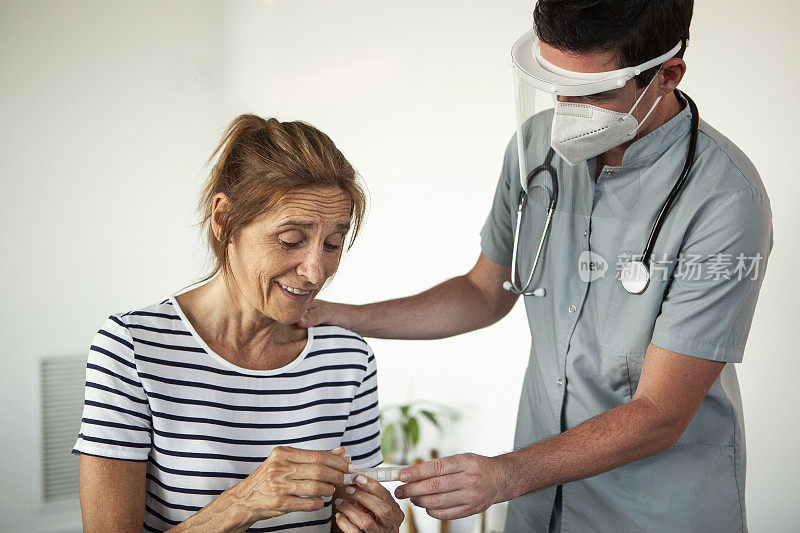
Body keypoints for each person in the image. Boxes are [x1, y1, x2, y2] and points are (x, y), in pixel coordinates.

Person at [297, 1, 773, 531]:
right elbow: (485, 292)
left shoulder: (726, 199)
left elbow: (660, 412)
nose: (568, 109)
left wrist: (504, 475)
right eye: (555, 83)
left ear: (668, 75)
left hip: (654, 510)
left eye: (593, 93)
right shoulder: (535, 148)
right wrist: (339, 314)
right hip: (539, 507)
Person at [72, 114, 405, 533]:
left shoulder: (348, 357)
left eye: (333, 243)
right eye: (291, 240)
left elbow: (345, 519)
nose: (317, 271)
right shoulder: (132, 348)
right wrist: (243, 503)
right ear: (224, 219)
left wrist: (372, 527)